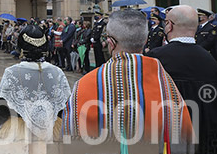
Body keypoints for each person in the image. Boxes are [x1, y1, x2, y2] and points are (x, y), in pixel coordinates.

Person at [62, 8, 193, 142]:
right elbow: (184, 136)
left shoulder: (85, 85)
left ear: (111, 43)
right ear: (145, 39)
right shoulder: (166, 85)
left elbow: (71, 138)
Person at [149, 6, 217, 154]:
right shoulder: (211, 62)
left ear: (169, 25)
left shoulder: (155, 60)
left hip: (166, 149)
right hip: (205, 151)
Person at [0, 21, 70, 140]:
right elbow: (65, 107)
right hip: (52, 130)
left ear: (21, 48)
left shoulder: (12, 72)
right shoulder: (57, 72)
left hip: (18, 133)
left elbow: (0, 109)